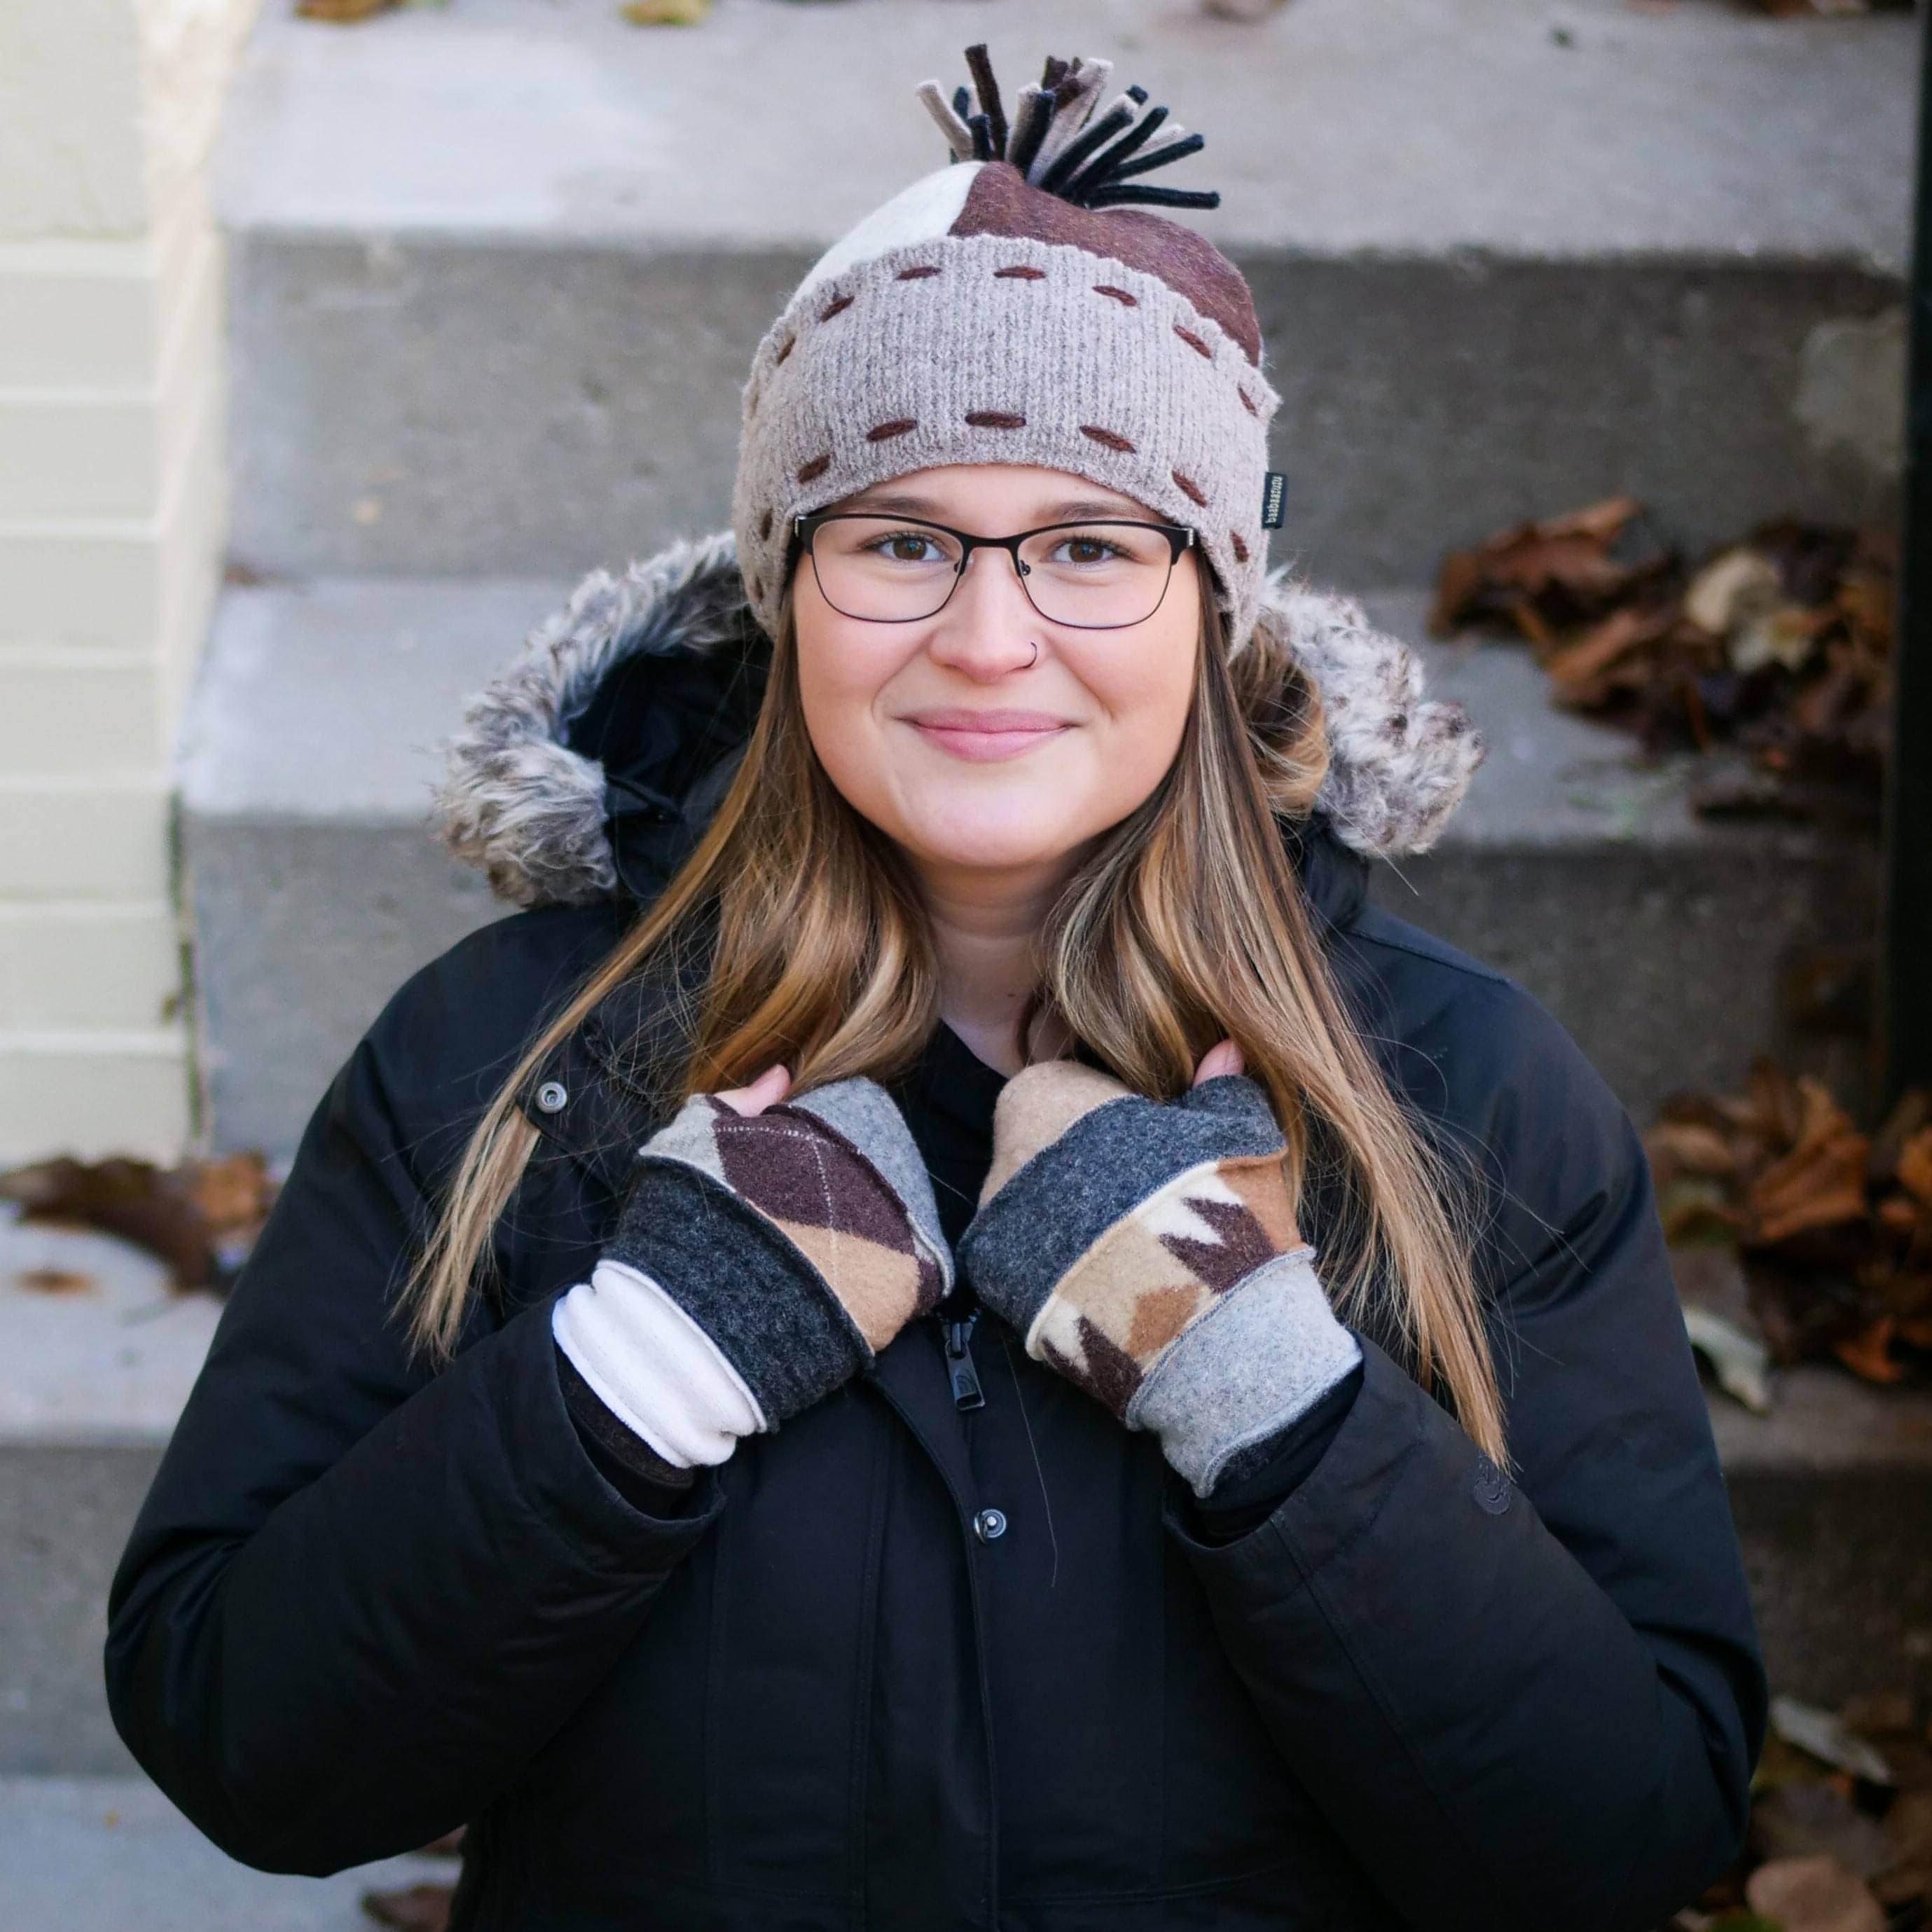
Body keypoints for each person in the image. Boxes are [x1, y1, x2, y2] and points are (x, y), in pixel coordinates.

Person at [106, 46, 1767, 1931]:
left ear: (1210, 604)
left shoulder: (1460, 1089)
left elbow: (1629, 1829)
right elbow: (244, 1732)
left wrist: (1259, 1378)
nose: (992, 639)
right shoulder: (522, 1068)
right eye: (903, 541)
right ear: (783, 586)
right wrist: (648, 1358)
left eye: (1086, 547)